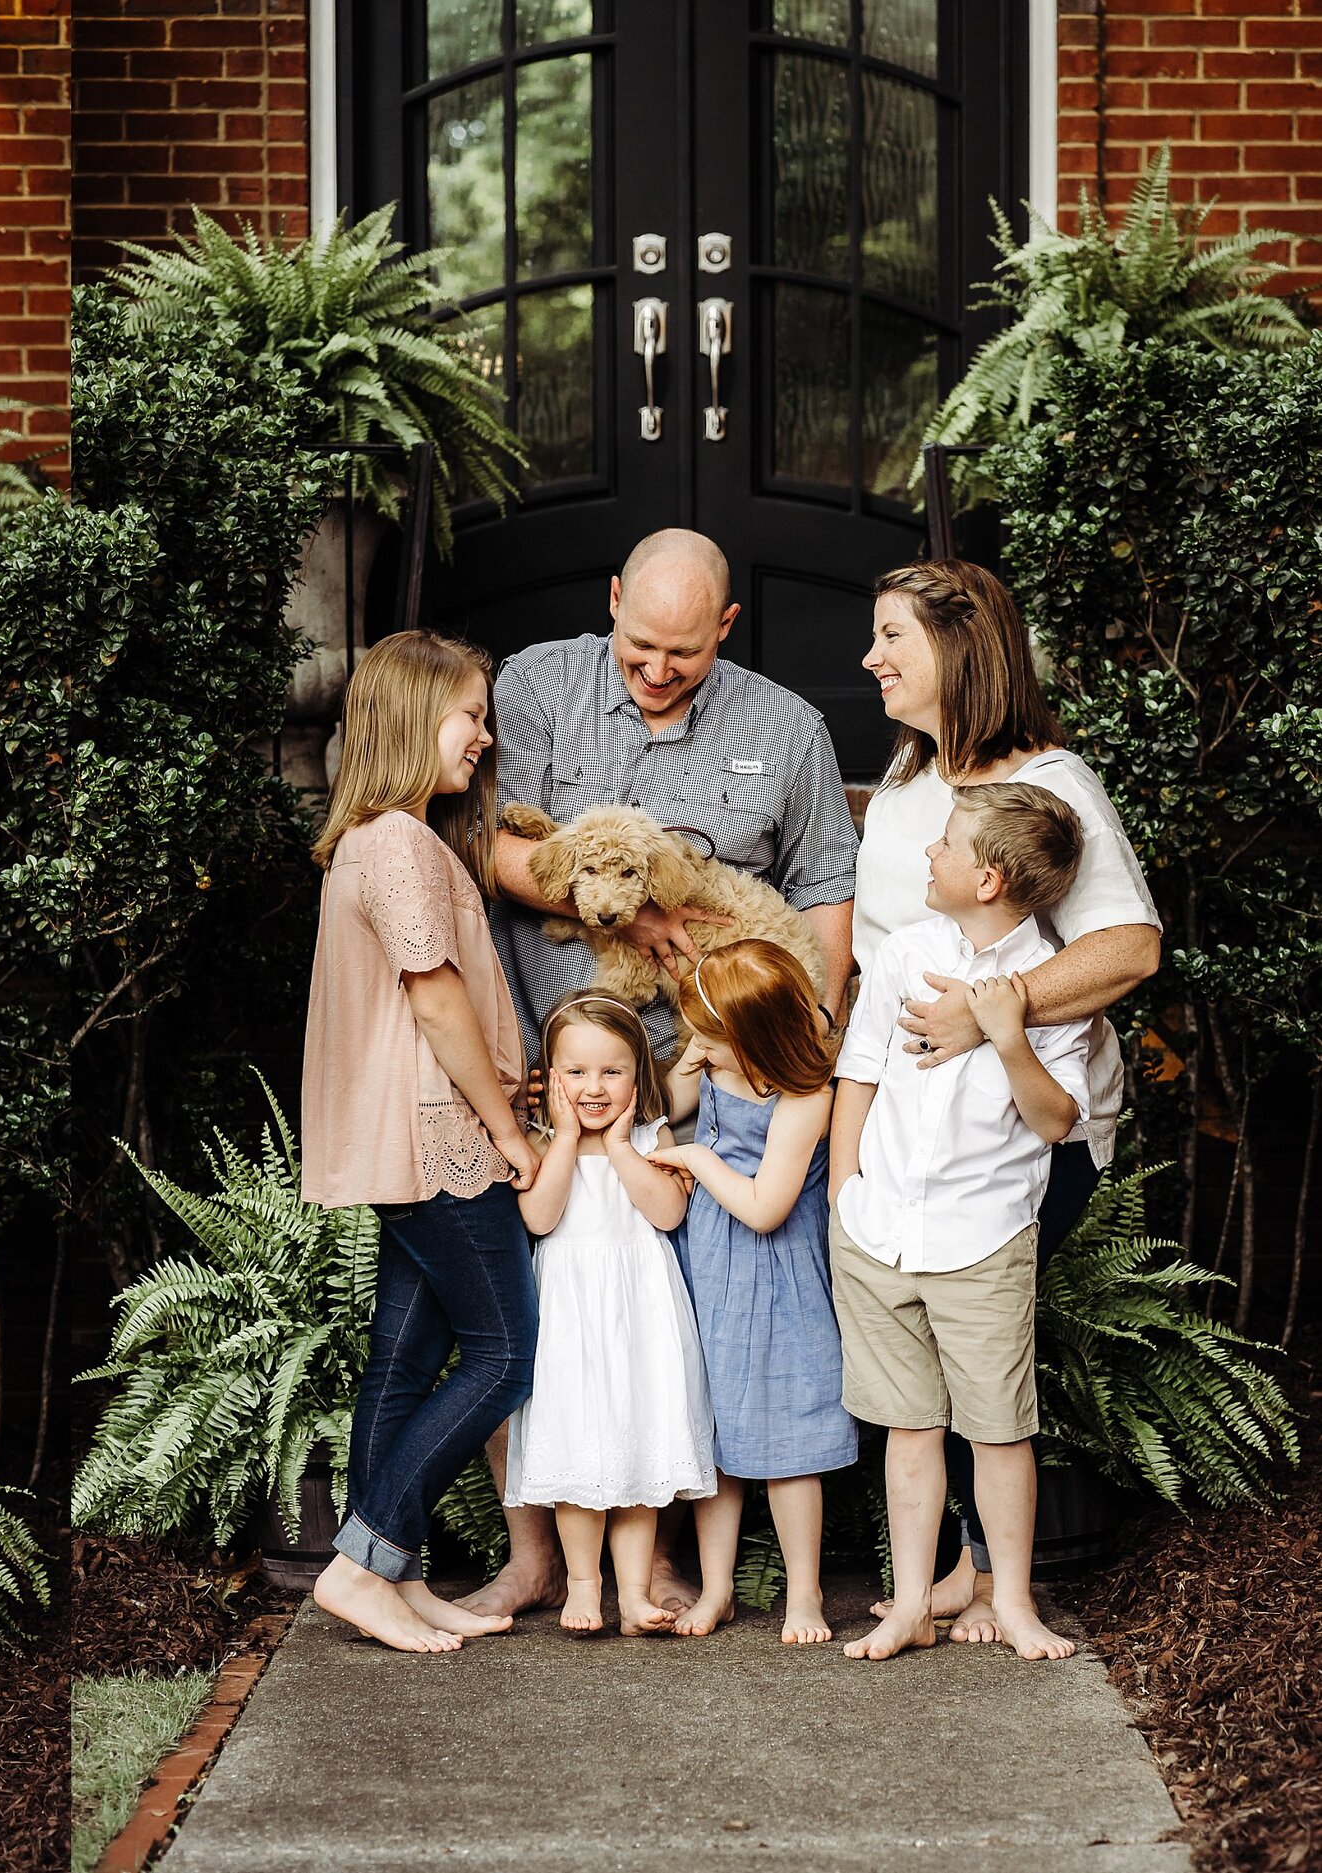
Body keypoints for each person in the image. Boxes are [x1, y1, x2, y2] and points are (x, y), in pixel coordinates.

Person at [474, 527, 858, 1623]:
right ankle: (539, 1555)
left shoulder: (786, 729)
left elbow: (826, 897)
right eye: (638, 643)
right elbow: (494, 849)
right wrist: (640, 917)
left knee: (676, 1327)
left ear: (725, 630)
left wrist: (807, 1039)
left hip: (702, 1087)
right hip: (563, 1072)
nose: (654, 668)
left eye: (682, 653)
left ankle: (663, 1564)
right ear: (609, 603)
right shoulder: (536, 685)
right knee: (542, 1316)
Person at [853, 560, 1162, 1639]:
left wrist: (999, 1006)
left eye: (893, 635)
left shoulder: (1048, 788)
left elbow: (1129, 947)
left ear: (961, 646)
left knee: (978, 1338)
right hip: (902, 1139)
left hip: (1019, 1136)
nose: (871, 657)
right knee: (922, 1352)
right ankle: (956, 1571)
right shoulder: (903, 788)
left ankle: (988, 1577)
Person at [301, 631, 544, 1655]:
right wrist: (506, 1127)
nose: (483, 740)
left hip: (408, 1142)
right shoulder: (397, 842)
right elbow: (435, 998)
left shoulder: (379, 836)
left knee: (404, 1359)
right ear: (410, 718)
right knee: (502, 1355)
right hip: (441, 1140)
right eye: (470, 715)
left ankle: (384, 1576)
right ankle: (361, 1564)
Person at [834, 782, 1091, 1665]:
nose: (928, 856)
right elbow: (860, 1074)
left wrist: (1005, 1029)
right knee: (908, 1429)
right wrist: (844, 1198)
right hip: (880, 1230)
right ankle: (911, 1604)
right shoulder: (904, 953)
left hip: (980, 1238)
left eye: (945, 844)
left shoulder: (1051, 982)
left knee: (997, 1427)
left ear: (986, 878)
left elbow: (1057, 1121)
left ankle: (1011, 1602)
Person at [648, 941, 854, 1645]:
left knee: (785, 1432)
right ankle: (718, 1587)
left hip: (774, 1271)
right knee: (715, 1431)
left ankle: (805, 1592)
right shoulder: (714, 1058)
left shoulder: (805, 1097)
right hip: (709, 1258)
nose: (694, 1045)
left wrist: (699, 1159)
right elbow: (664, 1102)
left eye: (708, 1035)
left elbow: (768, 1205)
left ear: (752, 1035)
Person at [504, 995, 711, 1636]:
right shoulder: (542, 1141)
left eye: (612, 1072)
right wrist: (567, 1136)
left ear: (638, 1074)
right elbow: (539, 1218)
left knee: (639, 1452)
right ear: (552, 1076)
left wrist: (622, 1146)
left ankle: (636, 1593)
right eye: (577, 1072)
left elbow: (667, 1214)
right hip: (571, 1315)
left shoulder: (652, 1138)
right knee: (576, 1455)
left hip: (638, 1311)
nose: (594, 1088)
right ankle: (583, 1588)